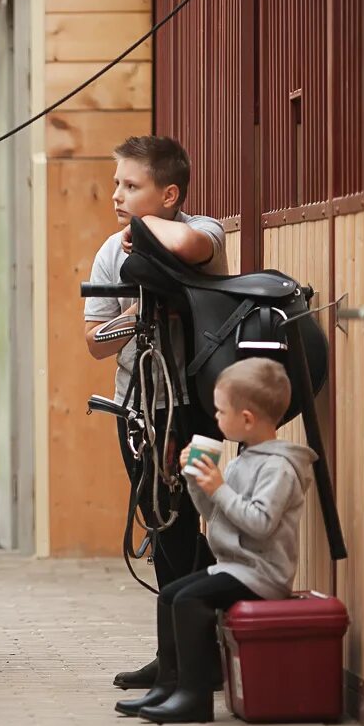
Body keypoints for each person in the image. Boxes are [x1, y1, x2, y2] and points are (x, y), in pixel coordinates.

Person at [83, 135, 229, 689]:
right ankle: (176, 652)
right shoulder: (108, 253)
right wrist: (135, 318)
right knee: (162, 528)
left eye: (131, 185)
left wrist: (138, 238)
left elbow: (188, 244)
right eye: (117, 183)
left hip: (194, 408)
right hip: (138, 409)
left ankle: (196, 657)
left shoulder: (206, 231)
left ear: (169, 194)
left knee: (194, 527)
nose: (117, 194)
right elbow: (97, 341)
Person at [116, 357, 315, 723]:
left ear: (248, 419)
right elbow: (218, 516)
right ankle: (168, 684)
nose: (216, 419)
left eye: (222, 412)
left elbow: (259, 523)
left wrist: (220, 487)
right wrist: (196, 481)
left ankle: (194, 696)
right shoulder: (244, 460)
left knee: (190, 601)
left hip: (262, 575)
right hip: (237, 568)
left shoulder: (278, 467)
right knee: (172, 595)